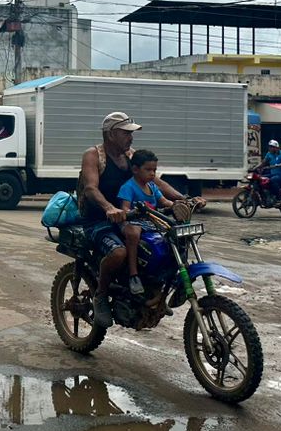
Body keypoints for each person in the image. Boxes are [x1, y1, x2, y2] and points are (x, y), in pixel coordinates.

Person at [80, 112, 204, 329]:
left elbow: (156, 182)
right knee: (118, 252)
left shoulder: (131, 156)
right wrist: (109, 208)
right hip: (100, 220)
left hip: (132, 219)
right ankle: (100, 296)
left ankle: (154, 291)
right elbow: (90, 188)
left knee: (166, 243)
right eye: (126, 133)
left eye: (132, 133)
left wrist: (185, 199)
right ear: (111, 134)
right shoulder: (94, 155)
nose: (131, 137)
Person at [116, 149, 174, 296]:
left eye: (154, 170)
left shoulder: (153, 187)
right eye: (148, 170)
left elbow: (164, 201)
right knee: (133, 233)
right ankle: (133, 274)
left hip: (150, 223)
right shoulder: (128, 187)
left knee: (173, 233)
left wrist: (181, 203)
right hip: (132, 222)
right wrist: (132, 212)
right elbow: (124, 209)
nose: (152, 174)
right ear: (135, 169)